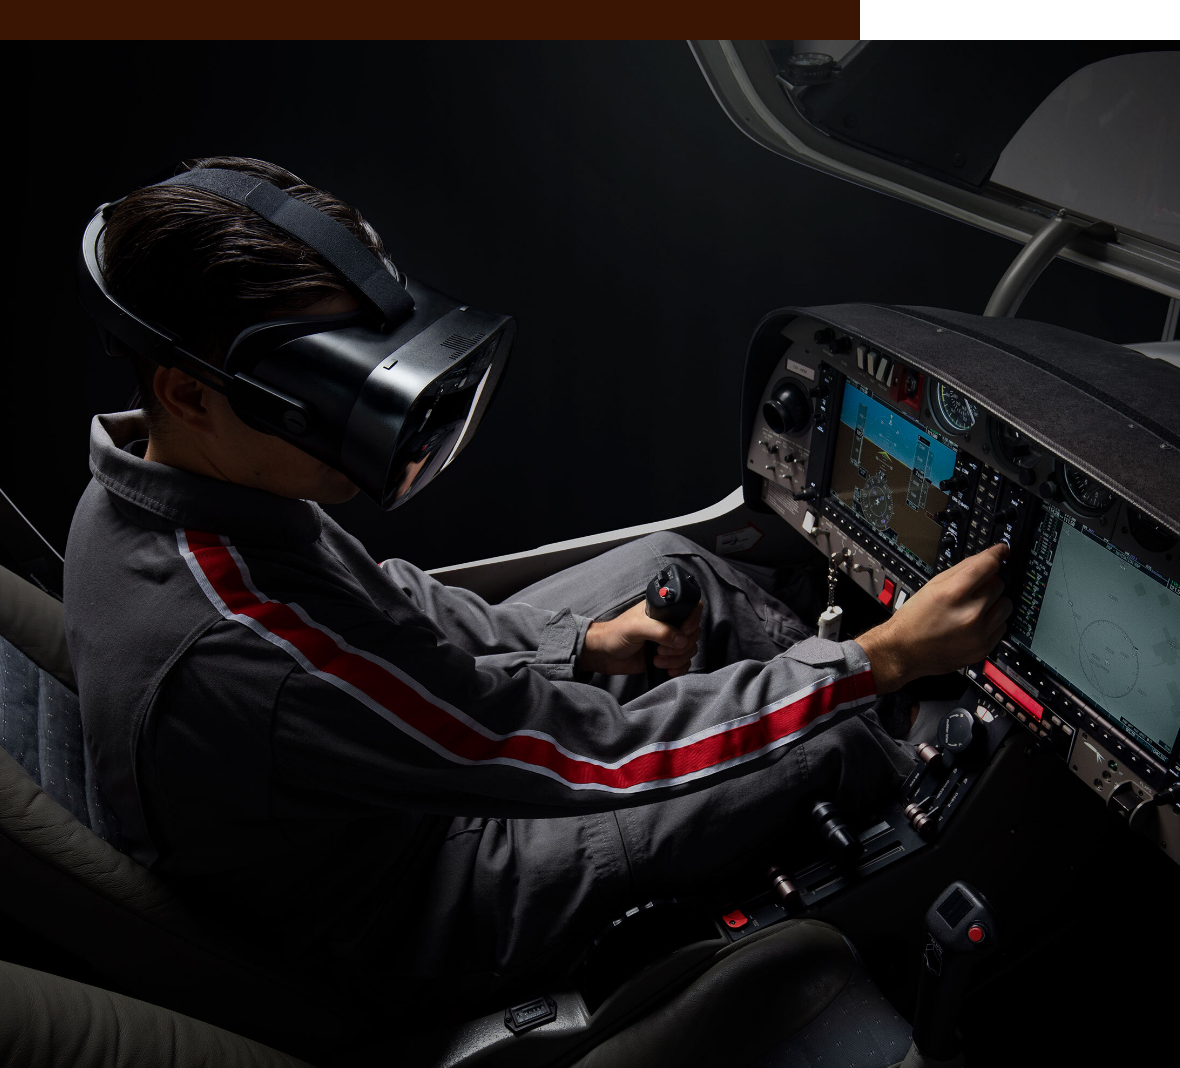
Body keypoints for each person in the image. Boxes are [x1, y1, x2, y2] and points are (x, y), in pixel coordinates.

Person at [64, 157, 1012, 1023]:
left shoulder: (164, 491)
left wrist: (583, 647)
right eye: (322, 381)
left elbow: (385, 601)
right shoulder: (244, 644)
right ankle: (949, 835)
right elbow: (586, 759)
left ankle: (839, 689)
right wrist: (879, 659)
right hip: (425, 901)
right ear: (187, 392)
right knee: (833, 738)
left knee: (677, 571)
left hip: (374, 792)